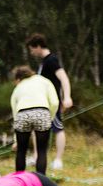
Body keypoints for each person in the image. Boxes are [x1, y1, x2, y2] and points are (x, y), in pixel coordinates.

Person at [26, 34, 73, 170]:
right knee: (36, 128)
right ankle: (36, 157)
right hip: (42, 102)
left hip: (52, 102)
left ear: (39, 46)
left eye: (32, 49)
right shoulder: (44, 62)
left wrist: (67, 97)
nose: (32, 53)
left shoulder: (51, 60)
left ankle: (58, 160)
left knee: (57, 128)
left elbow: (63, 78)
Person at [10, 66, 59, 174]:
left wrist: (15, 139)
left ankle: (19, 180)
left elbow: (15, 113)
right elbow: (55, 102)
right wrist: (49, 117)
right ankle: (42, 182)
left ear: (18, 79)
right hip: (42, 112)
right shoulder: (44, 81)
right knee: (42, 151)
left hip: (22, 114)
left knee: (21, 151)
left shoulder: (18, 87)